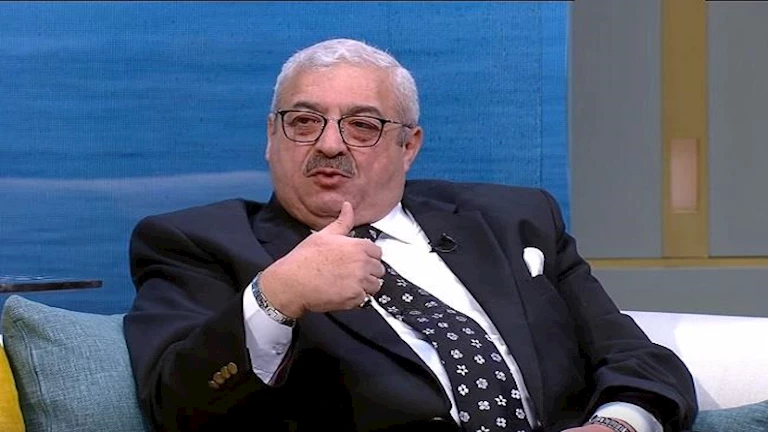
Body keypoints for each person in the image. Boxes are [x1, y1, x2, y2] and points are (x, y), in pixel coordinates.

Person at [124, 38, 697, 432]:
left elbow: (637, 359)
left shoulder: (515, 219)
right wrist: (278, 296)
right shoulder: (198, 244)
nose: (329, 144)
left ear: (409, 146)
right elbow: (177, 408)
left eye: (363, 125)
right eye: (303, 122)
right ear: (272, 137)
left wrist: (616, 425)